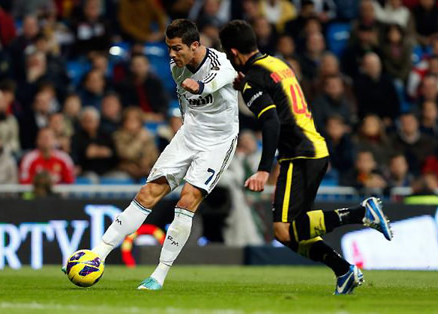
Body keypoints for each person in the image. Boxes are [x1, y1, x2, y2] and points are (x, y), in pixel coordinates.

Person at [219, 20, 393, 295]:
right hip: (313, 149)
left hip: (298, 154)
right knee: (293, 232)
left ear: (233, 52)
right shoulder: (277, 64)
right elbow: (281, 100)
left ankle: (362, 213)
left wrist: (264, 169)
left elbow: (272, 122)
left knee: (283, 230)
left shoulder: (253, 79)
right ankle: (344, 270)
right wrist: (246, 87)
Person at [79, 19, 239, 290]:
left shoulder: (222, 64)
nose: (171, 54)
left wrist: (197, 87)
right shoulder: (176, 67)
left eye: (177, 48)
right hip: (189, 135)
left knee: (186, 201)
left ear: (195, 45)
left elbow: (208, 85)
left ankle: (159, 275)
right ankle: (97, 255)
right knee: (146, 194)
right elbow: (183, 99)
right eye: (169, 48)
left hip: (218, 143)